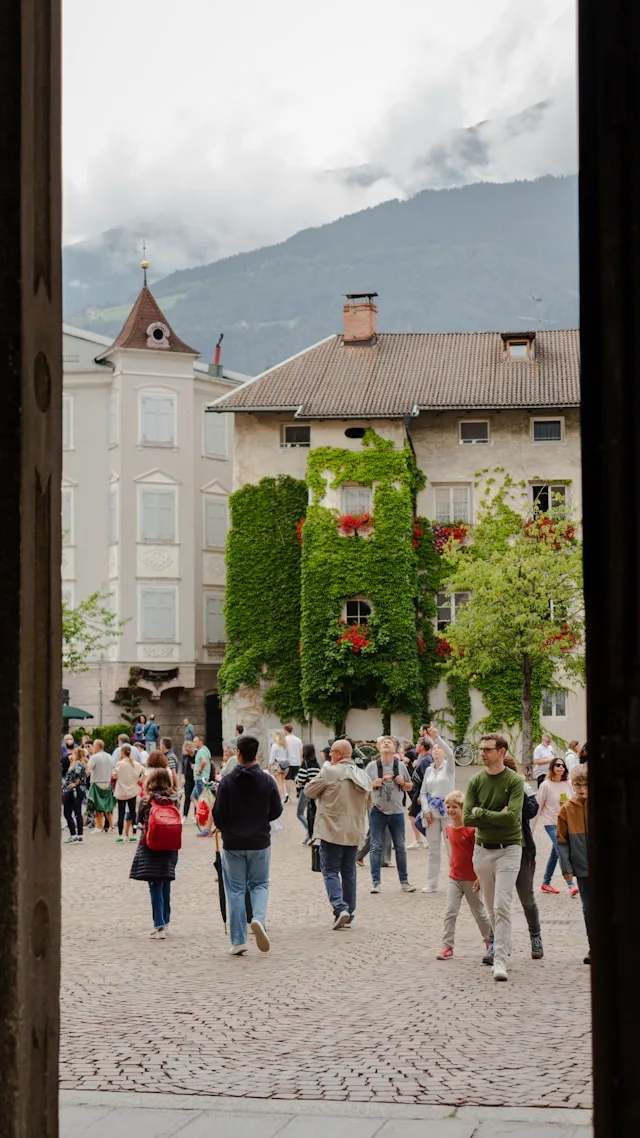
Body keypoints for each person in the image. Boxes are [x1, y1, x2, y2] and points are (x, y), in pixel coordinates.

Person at [212, 734, 283, 955]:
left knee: (235, 890)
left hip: (233, 842)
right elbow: (277, 810)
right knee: (260, 884)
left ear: (238, 754)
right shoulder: (267, 780)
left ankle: (238, 940)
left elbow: (218, 813)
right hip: (260, 841)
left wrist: (226, 826)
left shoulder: (227, 781)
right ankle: (258, 918)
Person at [463, 733, 524, 982]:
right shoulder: (475, 781)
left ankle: (500, 960)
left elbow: (512, 818)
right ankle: (499, 945)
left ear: (501, 752)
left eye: (487, 749)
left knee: (501, 905)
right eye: (481, 749)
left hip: (509, 848)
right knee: (491, 908)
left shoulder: (515, 781)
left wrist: (481, 812)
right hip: (482, 850)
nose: (482, 753)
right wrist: (493, 813)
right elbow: (467, 818)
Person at [304, 739, 372, 928]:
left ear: (340, 754)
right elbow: (369, 803)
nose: (329, 755)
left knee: (331, 870)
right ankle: (349, 913)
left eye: (332, 752)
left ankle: (340, 908)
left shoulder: (330, 772)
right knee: (349, 872)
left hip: (332, 829)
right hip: (354, 830)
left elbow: (309, 791)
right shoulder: (363, 775)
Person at [436, 790, 492, 960]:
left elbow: (480, 854)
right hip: (454, 877)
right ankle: (447, 946)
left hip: (471, 879)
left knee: (479, 912)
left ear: (462, 808)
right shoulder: (448, 828)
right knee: (450, 912)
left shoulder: (471, 830)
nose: (451, 810)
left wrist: (480, 877)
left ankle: (489, 940)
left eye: (454, 807)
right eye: (448, 807)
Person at [130, 768, 179, 940]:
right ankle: (165, 921)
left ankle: (158, 925)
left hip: (151, 846)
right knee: (166, 882)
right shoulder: (174, 800)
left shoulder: (146, 802)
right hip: (171, 847)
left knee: (154, 885)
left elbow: (138, 823)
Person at [503, 755, 544, 961]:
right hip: (498, 849)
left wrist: (521, 790)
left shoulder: (521, 786)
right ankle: (499, 943)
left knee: (526, 899)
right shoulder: (489, 787)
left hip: (522, 849)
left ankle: (535, 936)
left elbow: (531, 810)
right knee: (500, 901)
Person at [365, 735, 416, 894]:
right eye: (384, 742)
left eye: (390, 742)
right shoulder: (371, 766)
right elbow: (363, 786)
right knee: (375, 847)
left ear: (395, 749)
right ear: (379, 747)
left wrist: (403, 783)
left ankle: (405, 882)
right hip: (377, 811)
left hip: (397, 812)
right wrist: (374, 783)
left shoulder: (400, 766)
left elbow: (410, 786)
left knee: (400, 847)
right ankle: (376, 883)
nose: (387, 743)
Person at [557, 764, 590, 964]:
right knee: (588, 909)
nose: (581, 788)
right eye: (577, 784)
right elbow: (562, 841)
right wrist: (566, 868)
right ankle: (593, 947)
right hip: (582, 867)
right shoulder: (567, 809)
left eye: (585, 784)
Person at [534, 756, 578, 896]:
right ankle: (571, 884)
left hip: (565, 822)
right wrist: (531, 828)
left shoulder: (568, 784)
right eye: (557, 765)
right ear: (552, 768)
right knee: (562, 850)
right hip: (550, 823)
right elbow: (538, 806)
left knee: (555, 852)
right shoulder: (545, 785)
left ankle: (546, 882)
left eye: (562, 765)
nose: (560, 767)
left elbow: (573, 802)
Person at [419, 732, 455, 891]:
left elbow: (450, 753)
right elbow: (423, 792)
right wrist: (425, 809)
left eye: (438, 748)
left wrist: (437, 738)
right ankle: (431, 883)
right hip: (431, 813)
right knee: (433, 850)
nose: (436, 750)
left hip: (448, 812)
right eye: (433, 748)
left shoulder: (449, 767)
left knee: (451, 849)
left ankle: (455, 880)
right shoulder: (428, 770)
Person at [113, 744, 144, 843]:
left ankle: (120, 835)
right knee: (133, 813)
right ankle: (134, 834)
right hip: (132, 791)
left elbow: (114, 775)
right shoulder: (136, 764)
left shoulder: (120, 764)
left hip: (121, 791)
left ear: (122, 753)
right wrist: (139, 781)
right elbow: (145, 773)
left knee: (121, 814)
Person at [407, 739, 432, 849]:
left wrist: (423, 795)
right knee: (417, 815)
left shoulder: (425, 760)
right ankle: (426, 839)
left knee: (413, 815)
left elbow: (427, 778)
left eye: (417, 744)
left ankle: (420, 841)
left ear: (422, 746)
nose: (416, 746)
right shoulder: (422, 758)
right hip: (418, 790)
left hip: (421, 790)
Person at [86, 740, 116, 834]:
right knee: (107, 807)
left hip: (96, 783)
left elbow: (88, 770)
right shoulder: (110, 756)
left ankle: (99, 827)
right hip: (107, 783)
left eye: (94, 746)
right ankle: (111, 826)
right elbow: (113, 769)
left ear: (97, 746)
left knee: (97, 807)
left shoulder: (94, 757)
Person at [295, 743, 320, 843]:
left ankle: (310, 832)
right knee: (311, 813)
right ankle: (309, 834)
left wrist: (296, 779)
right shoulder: (316, 764)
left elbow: (300, 779)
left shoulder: (305, 763)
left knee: (299, 813)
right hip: (314, 791)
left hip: (306, 790)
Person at [62, 747, 87, 843]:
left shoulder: (77, 764)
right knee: (78, 813)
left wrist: (75, 784)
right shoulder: (80, 763)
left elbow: (76, 776)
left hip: (73, 791)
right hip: (77, 790)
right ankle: (79, 835)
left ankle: (73, 835)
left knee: (67, 813)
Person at [191, 736, 212, 806]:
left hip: (200, 778)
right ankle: (199, 814)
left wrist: (199, 770)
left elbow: (204, 761)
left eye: (195, 742)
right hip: (203, 778)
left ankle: (202, 815)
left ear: (200, 742)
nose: (193, 743)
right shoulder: (206, 749)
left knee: (201, 799)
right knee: (193, 797)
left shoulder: (201, 751)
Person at [283, 723, 303, 799]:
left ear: (285, 730)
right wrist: (301, 762)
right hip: (297, 762)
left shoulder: (285, 740)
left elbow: (284, 751)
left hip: (288, 762)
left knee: (287, 779)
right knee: (297, 778)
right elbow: (301, 752)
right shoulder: (298, 740)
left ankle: (288, 794)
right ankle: (298, 791)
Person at [269, 730, 289, 801]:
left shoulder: (275, 746)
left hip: (278, 766)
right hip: (286, 765)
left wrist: (269, 767)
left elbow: (272, 758)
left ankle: (280, 798)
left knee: (279, 783)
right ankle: (286, 794)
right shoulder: (285, 745)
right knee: (283, 780)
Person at [181, 742, 195, 821]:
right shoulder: (185, 756)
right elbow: (183, 767)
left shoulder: (197, 754)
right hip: (188, 778)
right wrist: (183, 778)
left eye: (187, 750)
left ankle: (196, 815)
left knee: (196, 797)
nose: (187, 752)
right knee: (187, 796)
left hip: (196, 777)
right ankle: (185, 815)